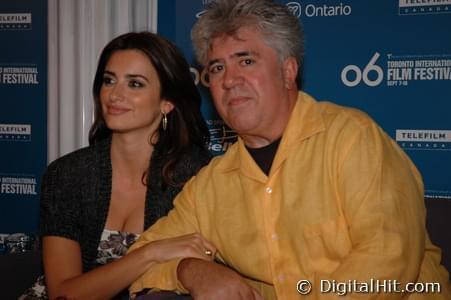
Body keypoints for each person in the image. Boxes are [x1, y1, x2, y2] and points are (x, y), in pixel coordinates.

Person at [128, 0, 451, 299]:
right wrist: (189, 270)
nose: (229, 80)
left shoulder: (353, 140)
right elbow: (140, 259)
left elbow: (385, 261)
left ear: (287, 71)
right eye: (216, 68)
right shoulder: (212, 186)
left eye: (246, 60)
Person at [20, 32, 215, 300]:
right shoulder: (67, 174)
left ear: (167, 102)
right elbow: (63, 293)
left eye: (135, 84)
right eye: (109, 80)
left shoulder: (196, 175)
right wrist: (150, 252)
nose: (114, 94)